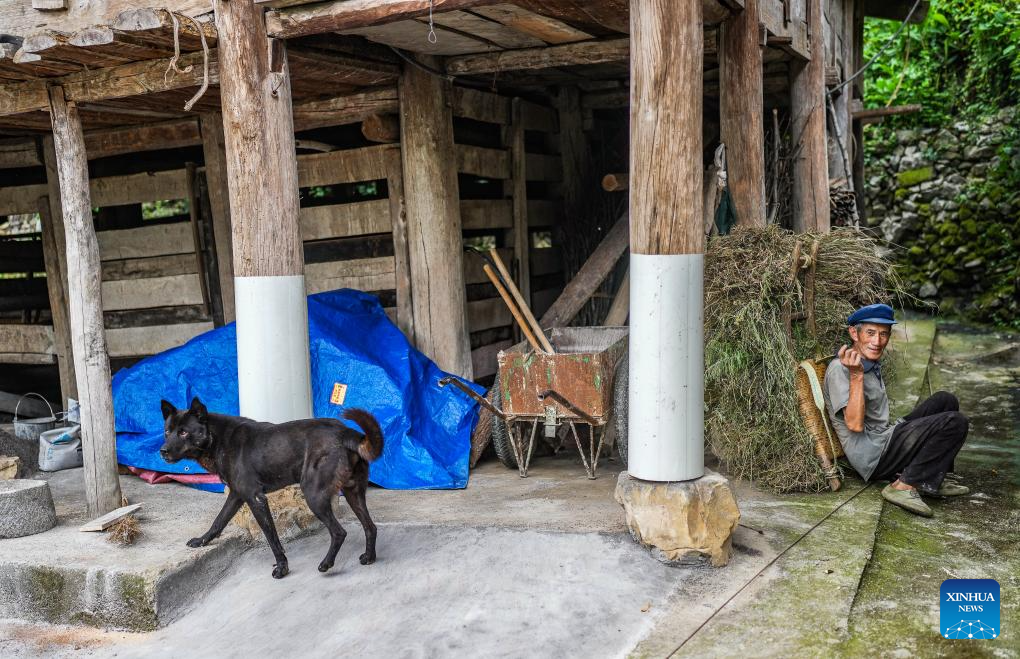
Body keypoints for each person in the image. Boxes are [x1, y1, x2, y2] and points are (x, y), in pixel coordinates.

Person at [824, 304, 970, 517]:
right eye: (871, 333)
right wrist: (856, 376)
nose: (877, 341)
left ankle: (931, 478)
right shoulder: (841, 369)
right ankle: (903, 486)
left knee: (945, 400)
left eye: (884, 334)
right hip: (872, 455)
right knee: (955, 422)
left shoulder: (868, 361)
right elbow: (854, 425)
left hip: (884, 438)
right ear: (854, 333)